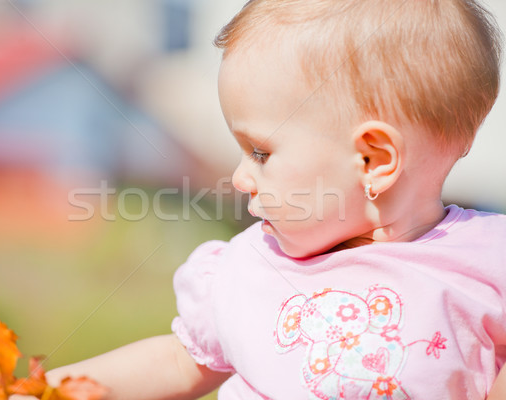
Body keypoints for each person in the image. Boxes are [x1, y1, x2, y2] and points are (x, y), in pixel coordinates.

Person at [43, 0, 506, 398]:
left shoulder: (488, 260)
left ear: (371, 160)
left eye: (260, 152)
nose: (241, 177)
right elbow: (180, 362)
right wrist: (40, 390)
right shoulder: (250, 266)